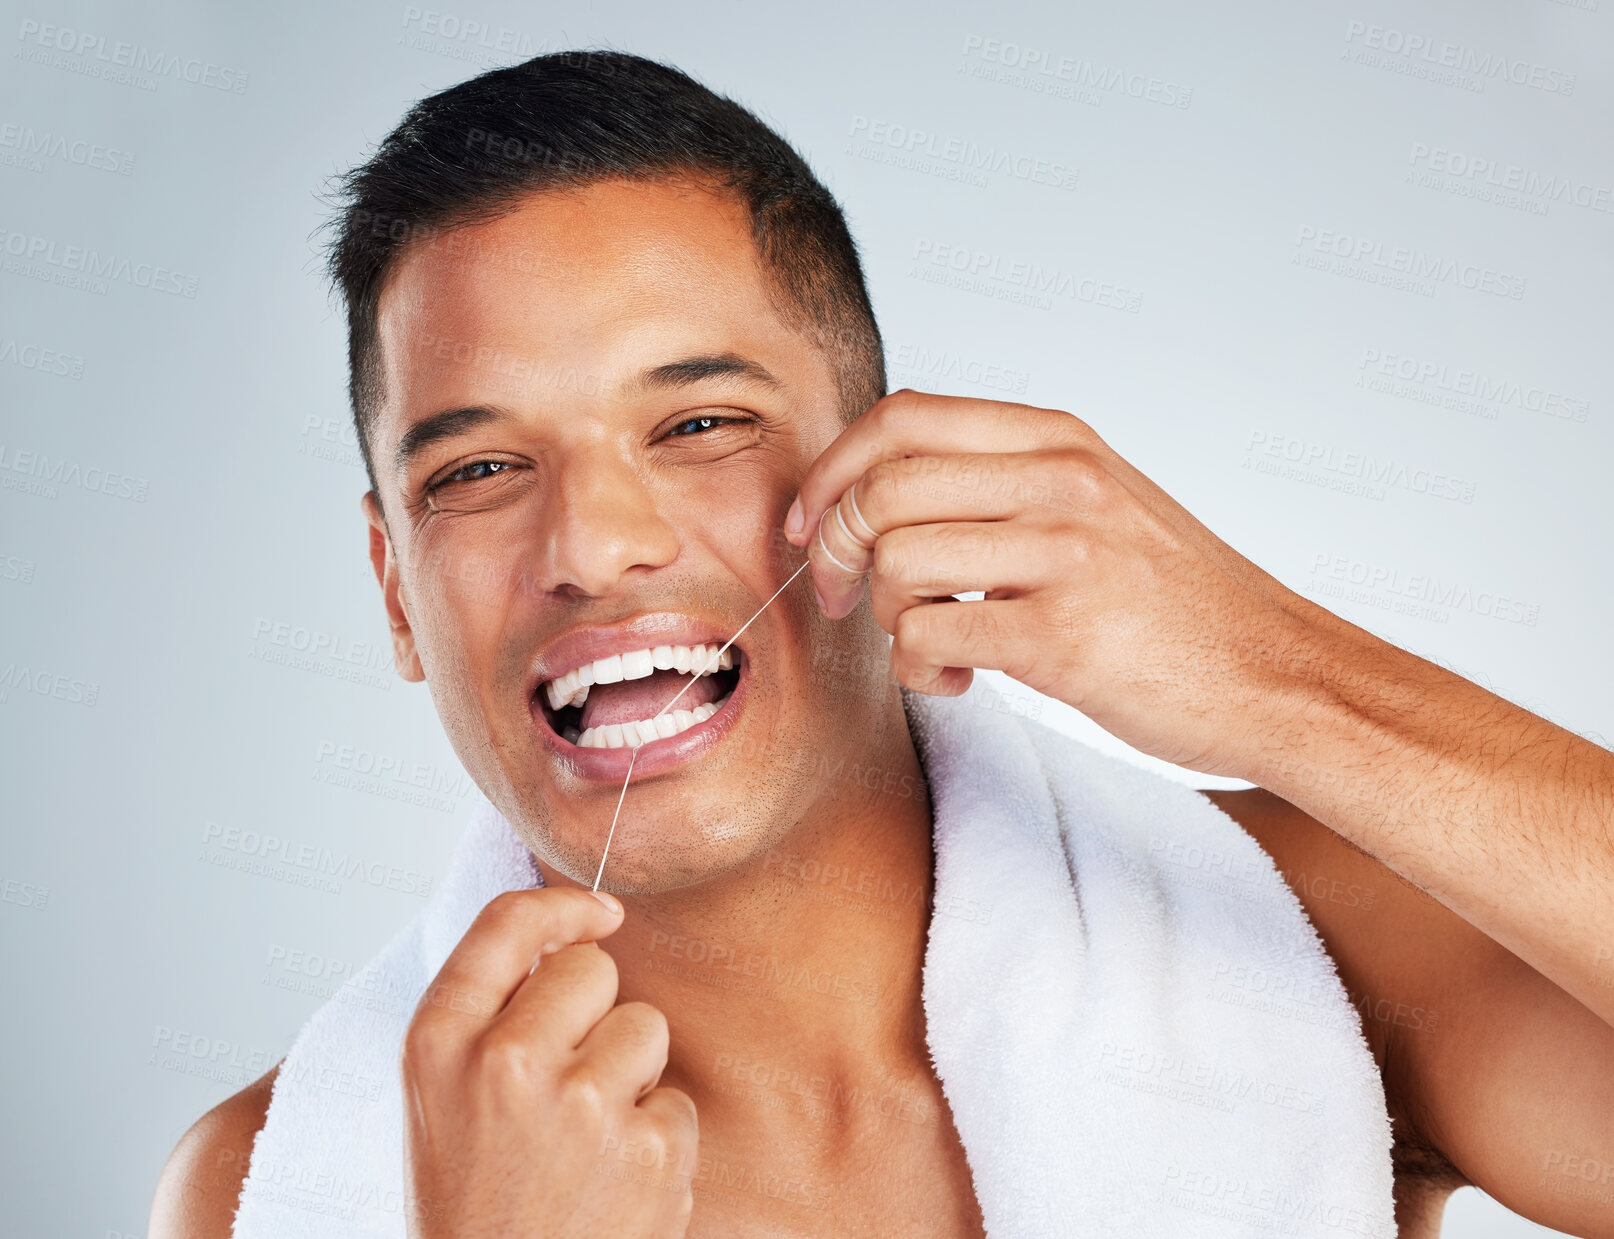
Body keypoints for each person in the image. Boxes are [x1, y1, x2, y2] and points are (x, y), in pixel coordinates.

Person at [150, 51, 1614, 1239]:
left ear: (879, 480)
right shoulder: (261, 1189)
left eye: (701, 423)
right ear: (397, 593)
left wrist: (1272, 675)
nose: (592, 546)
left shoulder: (1314, 940)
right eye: (475, 472)